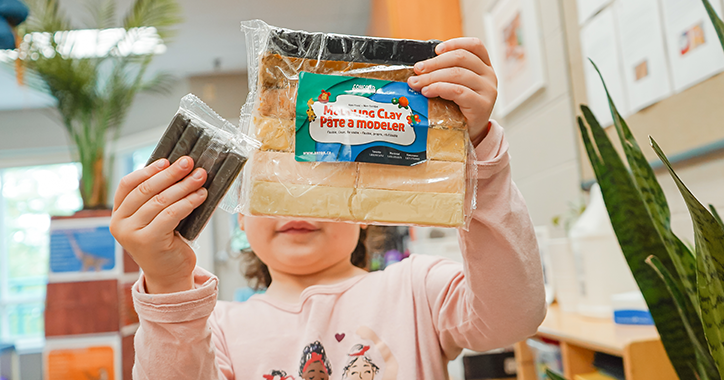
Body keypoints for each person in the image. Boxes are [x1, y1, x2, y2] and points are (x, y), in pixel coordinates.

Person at [109, 37, 547, 379]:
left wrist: (480, 154)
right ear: (242, 212)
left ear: (367, 206)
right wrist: (168, 285)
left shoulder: (417, 289)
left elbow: (512, 318)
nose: (298, 201)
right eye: (275, 185)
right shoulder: (215, 329)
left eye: (323, 181)